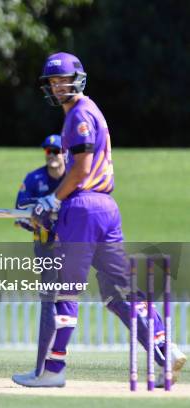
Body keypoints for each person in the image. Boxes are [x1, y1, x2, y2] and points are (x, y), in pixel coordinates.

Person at [12, 52, 186, 387]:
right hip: (107, 208)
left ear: (77, 78)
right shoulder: (90, 110)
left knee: (66, 289)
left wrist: (52, 199)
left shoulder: (78, 114)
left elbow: (79, 169)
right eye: (52, 81)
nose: (57, 85)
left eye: (62, 79)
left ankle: (53, 371)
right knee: (116, 292)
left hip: (84, 206)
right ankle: (165, 348)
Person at [13, 135, 65, 379]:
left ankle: (51, 365)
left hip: (74, 247)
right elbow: (20, 214)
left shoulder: (75, 177)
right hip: (45, 247)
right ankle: (42, 367)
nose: (53, 154)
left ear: (66, 152)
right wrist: (40, 223)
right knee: (48, 303)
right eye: (48, 150)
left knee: (67, 300)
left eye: (57, 150)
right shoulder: (34, 179)